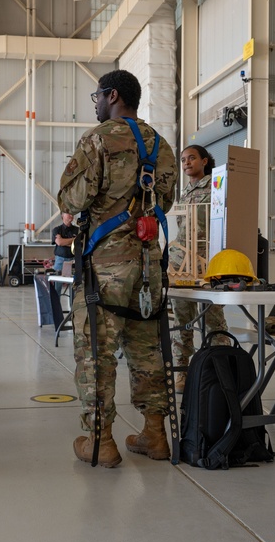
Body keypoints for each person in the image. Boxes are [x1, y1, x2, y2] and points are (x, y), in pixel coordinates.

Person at [57, 69, 177, 467]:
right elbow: (168, 200)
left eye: (97, 96)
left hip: (105, 271)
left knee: (97, 353)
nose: (96, 104)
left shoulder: (98, 139)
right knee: (147, 350)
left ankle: (99, 441)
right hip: (149, 266)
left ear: (112, 95)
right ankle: (155, 434)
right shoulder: (161, 145)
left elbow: (73, 199)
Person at [169, 145, 230, 388]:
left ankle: (221, 367)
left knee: (213, 315)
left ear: (204, 161)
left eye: (191, 158)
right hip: (182, 259)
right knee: (182, 317)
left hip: (208, 259)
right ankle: (182, 369)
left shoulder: (216, 186)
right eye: (183, 160)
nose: (186, 163)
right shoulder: (184, 191)